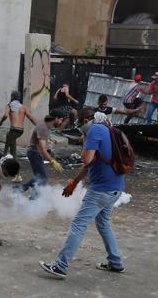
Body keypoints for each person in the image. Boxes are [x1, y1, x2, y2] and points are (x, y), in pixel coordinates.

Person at [39, 111, 126, 279]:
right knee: (104, 224)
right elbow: (91, 164)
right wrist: (75, 182)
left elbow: (86, 159)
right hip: (116, 187)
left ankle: (61, 266)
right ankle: (116, 262)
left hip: (101, 189)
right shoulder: (108, 129)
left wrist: (86, 139)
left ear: (86, 120)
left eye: (81, 128)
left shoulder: (95, 130)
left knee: (78, 225)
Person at [21, 111, 65, 195]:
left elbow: (44, 136)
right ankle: (34, 200)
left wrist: (51, 139)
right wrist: (52, 161)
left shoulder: (46, 126)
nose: (61, 122)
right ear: (56, 118)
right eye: (61, 120)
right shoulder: (43, 127)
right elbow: (42, 149)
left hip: (36, 153)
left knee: (40, 177)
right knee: (42, 178)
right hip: (34, 153)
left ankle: (21, 189)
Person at [0, 91, 37, 158]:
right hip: (21, 130)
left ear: (12, 97)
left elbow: (5, 115)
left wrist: (0, 122)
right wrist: (38, 125)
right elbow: (31, 118)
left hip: (14, 129)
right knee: (11, 140)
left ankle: (5, 156)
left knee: (10, 142)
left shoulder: (9, 105)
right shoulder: (24, 107)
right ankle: (9, 156)